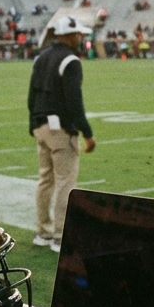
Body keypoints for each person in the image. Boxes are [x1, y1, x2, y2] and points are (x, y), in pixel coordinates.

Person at [28, 14, 96, 252]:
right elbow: (74, 102)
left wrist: (33, 125)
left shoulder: (41, 58)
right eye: (77, 34)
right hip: (60, 129)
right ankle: (59, 236)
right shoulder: (71, 61)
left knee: (45, 180)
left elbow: (31, 96)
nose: (79, 37)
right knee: (65, 182)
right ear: (68, 35)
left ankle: (42, 232)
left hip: (40, 124)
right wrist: (87, 132)